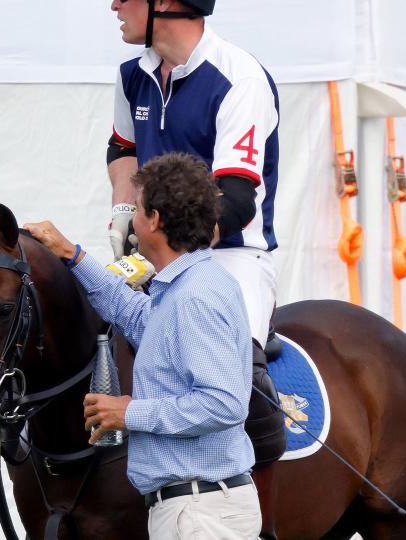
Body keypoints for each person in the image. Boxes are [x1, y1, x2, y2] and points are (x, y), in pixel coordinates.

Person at [26, 153, 260, 538]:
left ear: (154, 220)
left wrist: (130, 412)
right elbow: (132, 314)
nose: (131, 216)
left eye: (136, 207)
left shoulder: (195, 297)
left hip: (200, 515)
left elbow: (224, 403)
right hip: (193, 509)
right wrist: (72, 254)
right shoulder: (185, 287)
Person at [107, 0, 285, 470]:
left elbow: (236, 201)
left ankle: (259, 501)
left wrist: (168, 253)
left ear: (164, 2)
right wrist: (125, 213)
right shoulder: (133, 75)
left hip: (231, 256)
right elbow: (122, 148)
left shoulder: (240, 78)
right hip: (153, 251)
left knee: (239, 376)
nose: (114, 5)